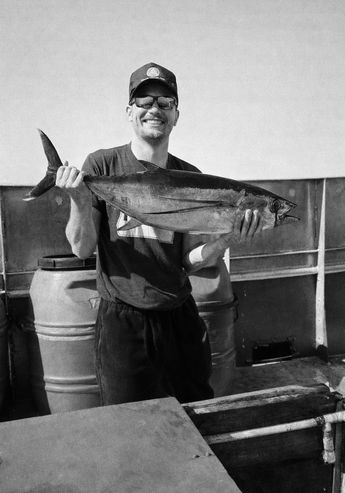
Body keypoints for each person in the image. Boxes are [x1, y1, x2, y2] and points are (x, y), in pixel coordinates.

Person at [55, 62, 262, 405]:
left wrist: (227, 237)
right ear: (129, 111)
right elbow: (81, 248)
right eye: (145, 102)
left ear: (176, 115)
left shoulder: (191, 177)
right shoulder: (102, 166)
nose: (155, 109)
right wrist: (78, 200)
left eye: (165, 103)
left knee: (195, 410)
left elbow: (190, 262)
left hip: (179, 316)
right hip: (123, 320)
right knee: (128, 422)